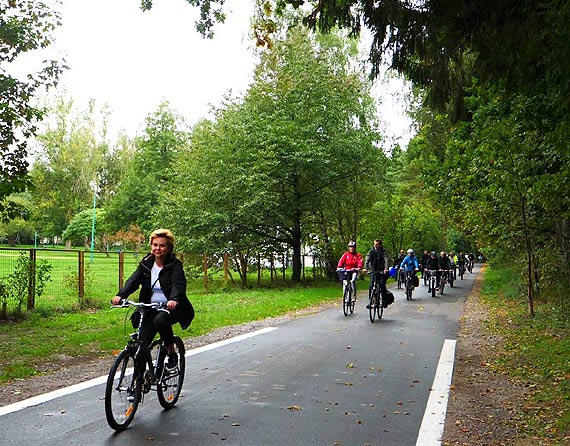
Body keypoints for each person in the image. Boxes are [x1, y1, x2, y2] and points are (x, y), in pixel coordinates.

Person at [112, 229, 194, 371]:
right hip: (149, 307)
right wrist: (121, 295)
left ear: (168, 248)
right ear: (151, 246)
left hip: (170, 307)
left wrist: (173, 299)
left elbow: (178, 284)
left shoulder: (174, 265)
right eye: (155, 245)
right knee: (142, 346)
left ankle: (171, 352)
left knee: (160, 321)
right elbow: (134, 280)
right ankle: (138, 385)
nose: (158, 248)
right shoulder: (146, 263)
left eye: (162, 245)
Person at [364, 239, 390, 309]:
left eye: (377, 244)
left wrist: (386, 268)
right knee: (371, 286)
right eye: (375, 244)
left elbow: (386, 259)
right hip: (374, 271)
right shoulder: (371, 251)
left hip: (382, 272)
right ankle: (372, 302)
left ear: (380, 245)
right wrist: (366, 267)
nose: (376, 246)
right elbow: (367, 258)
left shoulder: (384, 252)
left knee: (382, 284)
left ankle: (384, 301)